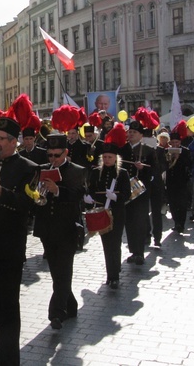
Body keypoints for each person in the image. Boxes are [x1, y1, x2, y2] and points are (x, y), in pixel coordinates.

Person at [0, 104, 38, 365]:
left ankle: (9, 356)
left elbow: (28, 205)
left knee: (9, 304)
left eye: (1, 139)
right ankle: (2, 343)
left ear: (14, 142)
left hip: (10, 245)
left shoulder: (27, 168)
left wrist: (0, 192)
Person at [33, 133, 85, 329]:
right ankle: (70, 305)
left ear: (66, 153)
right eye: (50, 156)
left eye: (56, 155)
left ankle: (57, 313)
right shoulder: (42, 169)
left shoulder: (77, 171)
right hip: (47, 228)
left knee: (64, 270)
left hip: (67, 229)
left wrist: (57, 190)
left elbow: (78, 194)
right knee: (56, 271)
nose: (53, 159)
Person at [87, 123, 129, 289]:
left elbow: (126, 193)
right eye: (104, 157)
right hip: (102, 213)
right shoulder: (97, 171)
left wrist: (116, 197)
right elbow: (91, 188)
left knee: (115, 243)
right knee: (106, 244)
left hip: (117, 212)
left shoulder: (122, 173)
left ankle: (115, 275)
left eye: (110, 157)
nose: (107, 160)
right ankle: (110, 274)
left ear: (116, 158)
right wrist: (88, 197)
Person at [120, 118, 155, 261]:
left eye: (135, 132)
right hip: (126, 191)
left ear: (141, 135)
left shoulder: (148, 150)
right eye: (130, 132)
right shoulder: (122, 150)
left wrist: (143, 169)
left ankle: (140, 252)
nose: (132, 134)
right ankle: (133, 250)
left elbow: (154, 171)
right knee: (129, 222)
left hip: (140, 192)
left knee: (140, 221)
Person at [165, 132, 192, 233]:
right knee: (172, 203)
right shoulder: (167, 151)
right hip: (171, 181)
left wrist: (179, 157)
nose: (174, 144)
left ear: (180, 142)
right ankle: (176, 222)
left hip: (182, 181)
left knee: (182, 203)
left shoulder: (185, 151)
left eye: (176, 142)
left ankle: (181, 223)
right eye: (172, 142)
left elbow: (189, 163)